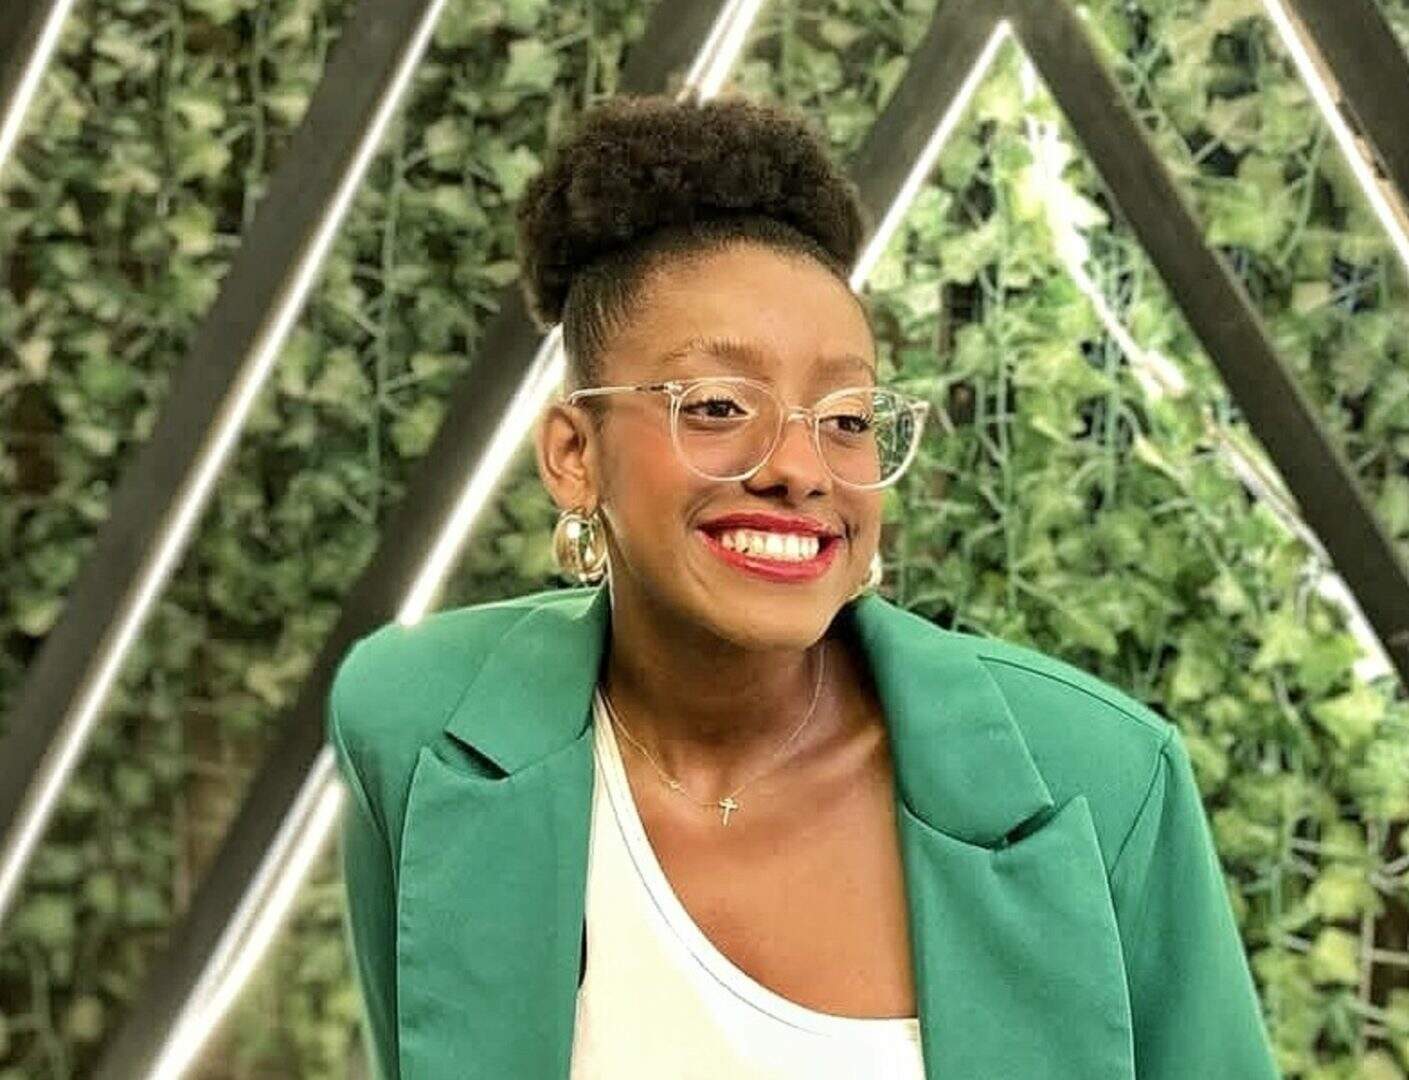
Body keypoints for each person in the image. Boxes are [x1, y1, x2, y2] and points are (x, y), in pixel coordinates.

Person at [327, 92, 1282, 1080]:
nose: (798, 466)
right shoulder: (410, 725)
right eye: (715, 405)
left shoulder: (1100, 779)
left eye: (848, 418)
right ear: (574, 455)